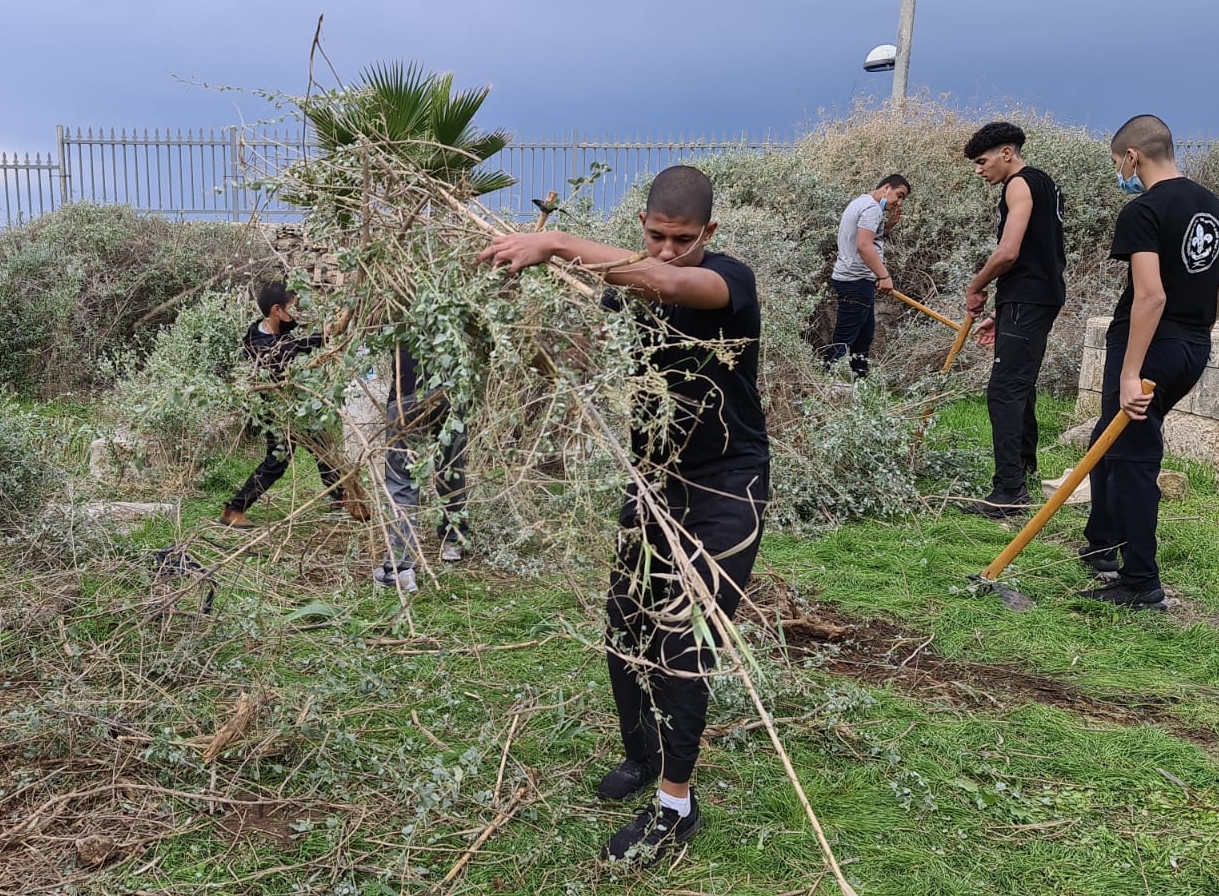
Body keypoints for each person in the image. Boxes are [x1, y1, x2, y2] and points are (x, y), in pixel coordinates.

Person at [480, 165, 769, 866]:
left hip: (727, 487)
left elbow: (668, 284)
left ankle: (677, 806)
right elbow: (604, 336)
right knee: (624, 628)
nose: (667, 251)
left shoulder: (728, 280)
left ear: (710, 233)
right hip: (654, 481)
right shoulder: (630, 282)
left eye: (681, 238)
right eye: (654, 236)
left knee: (682, 641)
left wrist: (554, 242)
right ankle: (643, 756)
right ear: (641, 225)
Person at [1079, 114, 1219, 610]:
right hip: (1192, 345)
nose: (1120, 171)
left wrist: (1129, 373)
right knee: (1110, 436)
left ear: (1132, 157)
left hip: (1149, 347)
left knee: (1134, 461)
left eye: (1118, 163)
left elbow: (1150, 297)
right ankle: (1101, 541)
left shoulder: (1143, 210)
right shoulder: (1213, 207)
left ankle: (1140, 581)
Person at [960, 122, 1068, 518]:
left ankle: (1008, 492)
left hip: (1027, 297)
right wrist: (1002, 316)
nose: (978, 170)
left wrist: (976, 286)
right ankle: (1022, 471)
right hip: (1033, 298)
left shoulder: (1019, 184)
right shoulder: (1046, 183)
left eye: (982, 161)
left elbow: (1008, 252)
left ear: (1008, 153)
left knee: (1004, 391)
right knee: (1020, 386)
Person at [218, 281, 354, 529]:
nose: (296, 312)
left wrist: (323, 336)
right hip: (276, 410)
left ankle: (340, 498)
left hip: (293, 405)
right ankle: (235, 509)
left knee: (321, 447)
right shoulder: (260, 343)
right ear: (276, 310)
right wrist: (321, 340)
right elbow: (289, 352)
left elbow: (294, 345)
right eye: (292, 307)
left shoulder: (272, 332)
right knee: (277, 460)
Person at [372, 343, 468, 594]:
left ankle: (401, 567)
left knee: (401, 478)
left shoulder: (392, 304)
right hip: (449, 393)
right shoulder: (455, 306)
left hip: (407, 394)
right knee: (451, 466)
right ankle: (453, 541)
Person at [823, 174, 911, 377]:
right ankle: (825, 381)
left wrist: (888, 226)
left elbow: (865, 237)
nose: (899, 201)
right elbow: (864, 245)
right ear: (886, 187)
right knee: (846, 336)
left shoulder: (862, 202)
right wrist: (884, 276)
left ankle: (860, 378)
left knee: (864, 334)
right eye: (899, 195)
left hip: (856, 279)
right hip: (856, 281)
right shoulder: (872, 210)